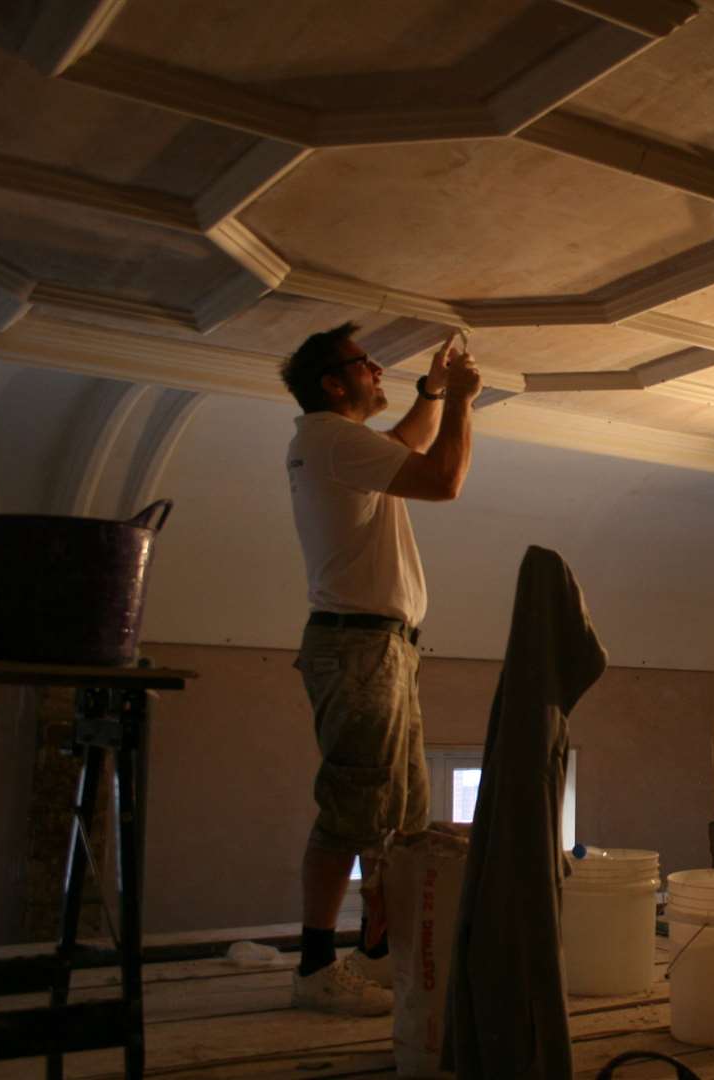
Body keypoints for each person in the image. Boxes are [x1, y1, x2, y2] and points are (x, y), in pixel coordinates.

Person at [278, 322, 482, 1014]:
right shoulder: (330, 436)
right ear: (334, 384)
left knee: (397, 811)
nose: (375, 370)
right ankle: (314, 970)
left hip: (379, 646)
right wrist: (460, 401)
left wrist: (430, 389)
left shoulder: (334, 445)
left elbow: (404, 445)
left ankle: (373, 955)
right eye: (363, 364)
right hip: (362, 648)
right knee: (354, 805)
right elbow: (444, 478)